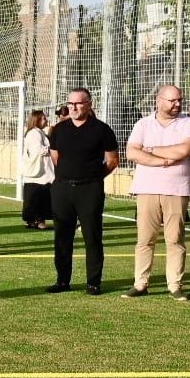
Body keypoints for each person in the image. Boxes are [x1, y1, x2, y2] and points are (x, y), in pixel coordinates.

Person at [123, 83, 190, 299]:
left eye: (179, 100)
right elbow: (132, 153)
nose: (178, 104)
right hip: (146, 188)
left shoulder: (188, 123)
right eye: (173, 100)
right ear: (159, 100)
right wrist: (164, 161)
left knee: (175, 239)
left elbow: (184, 150)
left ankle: (175, 286)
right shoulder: (143, 124)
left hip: (176, 189)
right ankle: (140, 283)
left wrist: (150, 150)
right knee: (145, 239)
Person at [47, 87, 119, 294]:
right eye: (70, 103)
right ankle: (62, 281)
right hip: (62, 188)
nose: (73, 107)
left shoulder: (102, 129)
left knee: (92, 236)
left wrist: (93, 177)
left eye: (78, 103)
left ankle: (93, 282)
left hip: (90, 189)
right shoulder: (59, 130)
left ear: (89, 104)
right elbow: (56, 157)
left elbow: (113, 161)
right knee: (62, 236)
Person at [21, 111, 54, 229]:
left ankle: (38, 220)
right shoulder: (34, 133)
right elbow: (38, 150)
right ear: (37, 120)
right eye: (44, 118)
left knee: (39, 197)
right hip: (39, 172)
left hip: (42, 172)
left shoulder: (40, 132)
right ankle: (36, 221)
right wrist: (53, 148)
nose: (46, 120)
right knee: (37, 197)